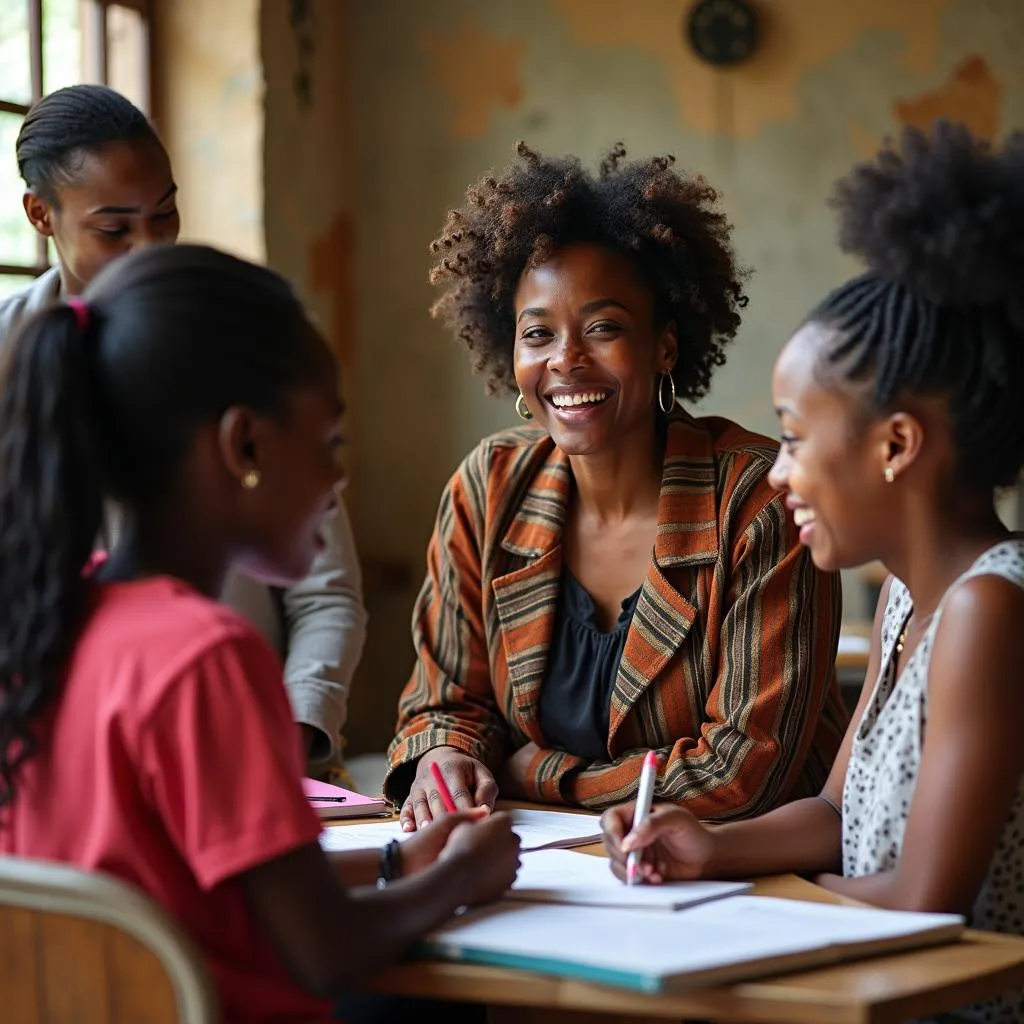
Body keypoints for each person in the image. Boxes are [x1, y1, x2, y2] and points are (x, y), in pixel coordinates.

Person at [0, 243, 520, 1023]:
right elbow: (326, 951)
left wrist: (392, 862)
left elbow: (183, 887)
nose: (339, 478)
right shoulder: (205, 657)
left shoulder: (49, 618)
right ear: (244, 445)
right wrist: (461, 875)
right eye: (330, 442)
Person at [601, 121, 1024, 1022]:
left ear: (896, 446)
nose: (780, 469)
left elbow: (924, 902)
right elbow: (837, 815)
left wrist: (735, 912)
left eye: (795, 437)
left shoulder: (992, 607)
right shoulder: (914, 597)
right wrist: (708, 848)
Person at [385, 142, 849, 829]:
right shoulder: (489, 487)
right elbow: (445, 701)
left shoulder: (757, 501)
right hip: (559, 877)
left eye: (603, 328)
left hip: (747, 883)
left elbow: (743, 771)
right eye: (537, 334)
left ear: (665, 346)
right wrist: (442, 757)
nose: (566, 360)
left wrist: (539, 773)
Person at [0, 84, 365, 778]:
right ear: (40, 215)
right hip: (69, 760)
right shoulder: (11, 361)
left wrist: (289, 736)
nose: (150, 247)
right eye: (115, 229)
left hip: (255, 752)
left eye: (165, 214)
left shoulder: (236, 343)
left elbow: (327, 588)